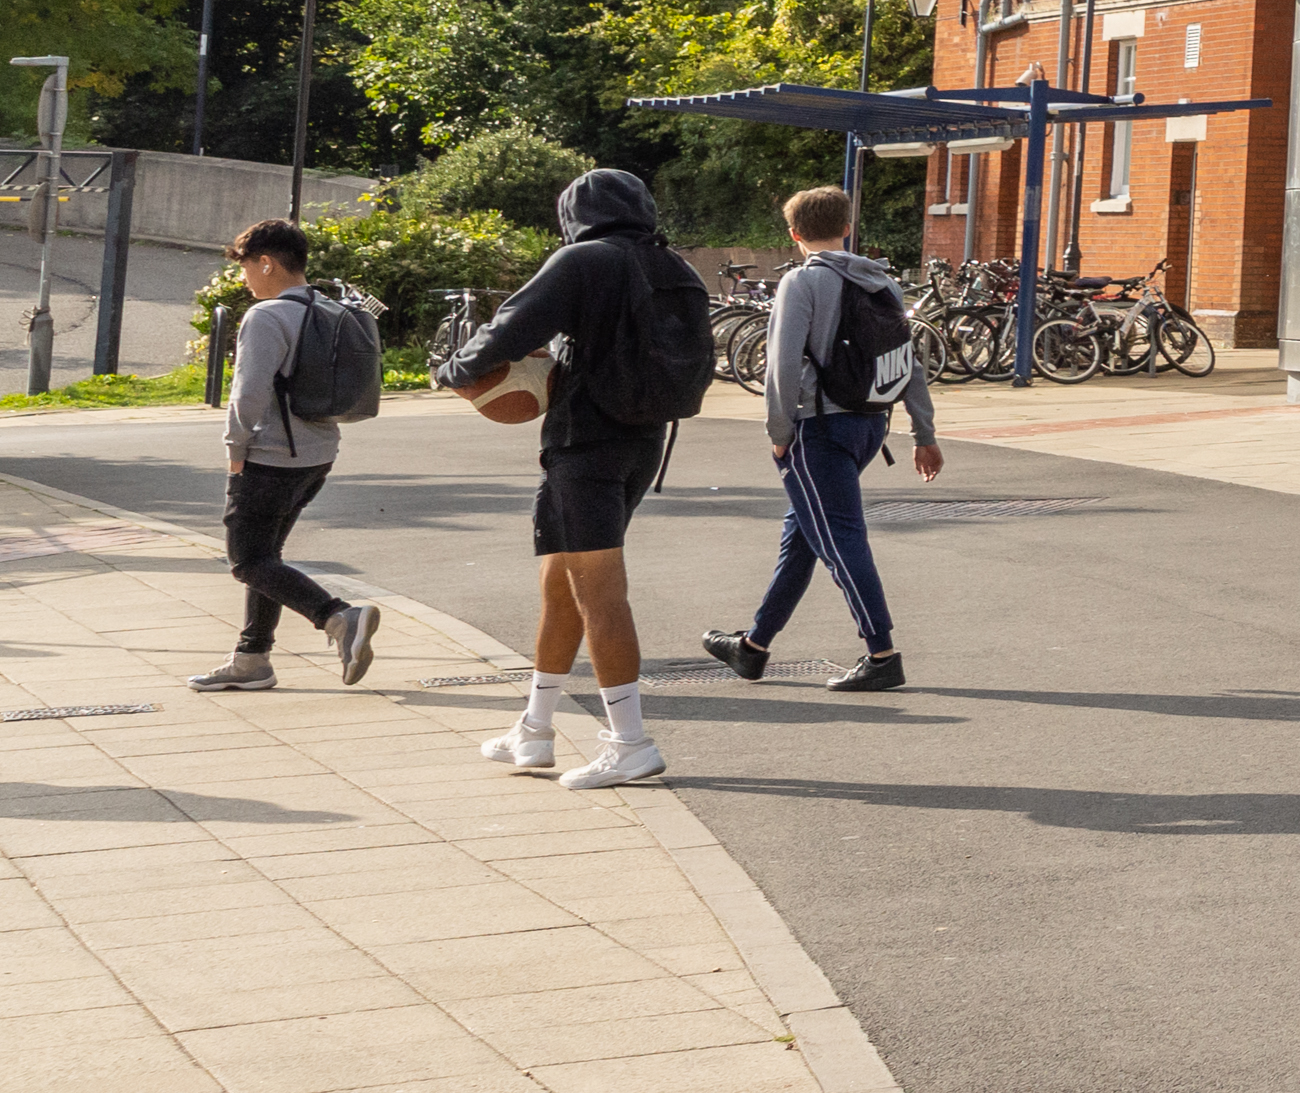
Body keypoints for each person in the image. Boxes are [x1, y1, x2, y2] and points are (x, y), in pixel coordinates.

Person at [439, 167, 718, 792]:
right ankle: (534, 730)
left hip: (585, 444)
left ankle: (631, 743)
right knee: (560, 584)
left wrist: (452, 369)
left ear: (574, 214)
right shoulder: (675, 267)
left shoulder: (583, 259)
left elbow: (510, 329)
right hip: (644, 440)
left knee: (599, 593)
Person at [699, 188, 941, 694]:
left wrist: (779, 433)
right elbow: (908, 360)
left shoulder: (801, 282)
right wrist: (924, 432)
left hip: (818, 429)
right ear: (847, 227)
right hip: (871, 424)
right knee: (804, 536)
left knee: (839, 539)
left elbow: (782, 367)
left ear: (793, 234)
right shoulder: (881, 281)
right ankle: (753, 648)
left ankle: (882, 655)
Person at [191, 225, 381, 695]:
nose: (245, 280)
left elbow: (247, 396)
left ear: (266, 262)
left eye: (245, 267)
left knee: (247, 562)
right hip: (318, 456)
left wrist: (235, 454)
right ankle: (252, 658)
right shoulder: (332, 309)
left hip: (271, 458)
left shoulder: (266, 317)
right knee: (268, 557)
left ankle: (338, 617)